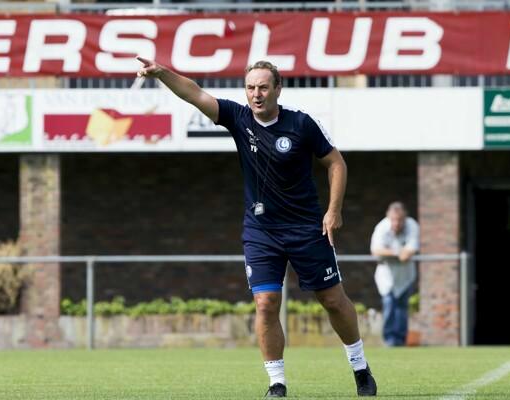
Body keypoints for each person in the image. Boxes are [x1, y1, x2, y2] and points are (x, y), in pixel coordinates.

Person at [136, 57, 377, 398]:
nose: (256, 94)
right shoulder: (238, 118)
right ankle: (276, 383)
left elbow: (335, 162)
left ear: (278, 88)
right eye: (251, 88)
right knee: (265, 303)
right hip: (261, 232)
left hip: (307, 228)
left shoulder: (302, 124)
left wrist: (333, 210)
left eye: (263, 87)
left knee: (333, 300)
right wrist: (161, 73)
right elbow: (194, 94)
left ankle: (360, 368)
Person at [370, 201, 420, 347]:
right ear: (388, 217)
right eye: (393, 220)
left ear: (405, 218)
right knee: (389, 304)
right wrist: (397, 252)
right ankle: (389, 341)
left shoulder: (412, 225)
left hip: (405, 276)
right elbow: (375, 251)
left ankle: (400, 341)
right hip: (386, 277)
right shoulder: (381, 227)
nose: (396, 223)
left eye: (399, 220)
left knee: (402, 308)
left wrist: (393, 253)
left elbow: (410, 251)